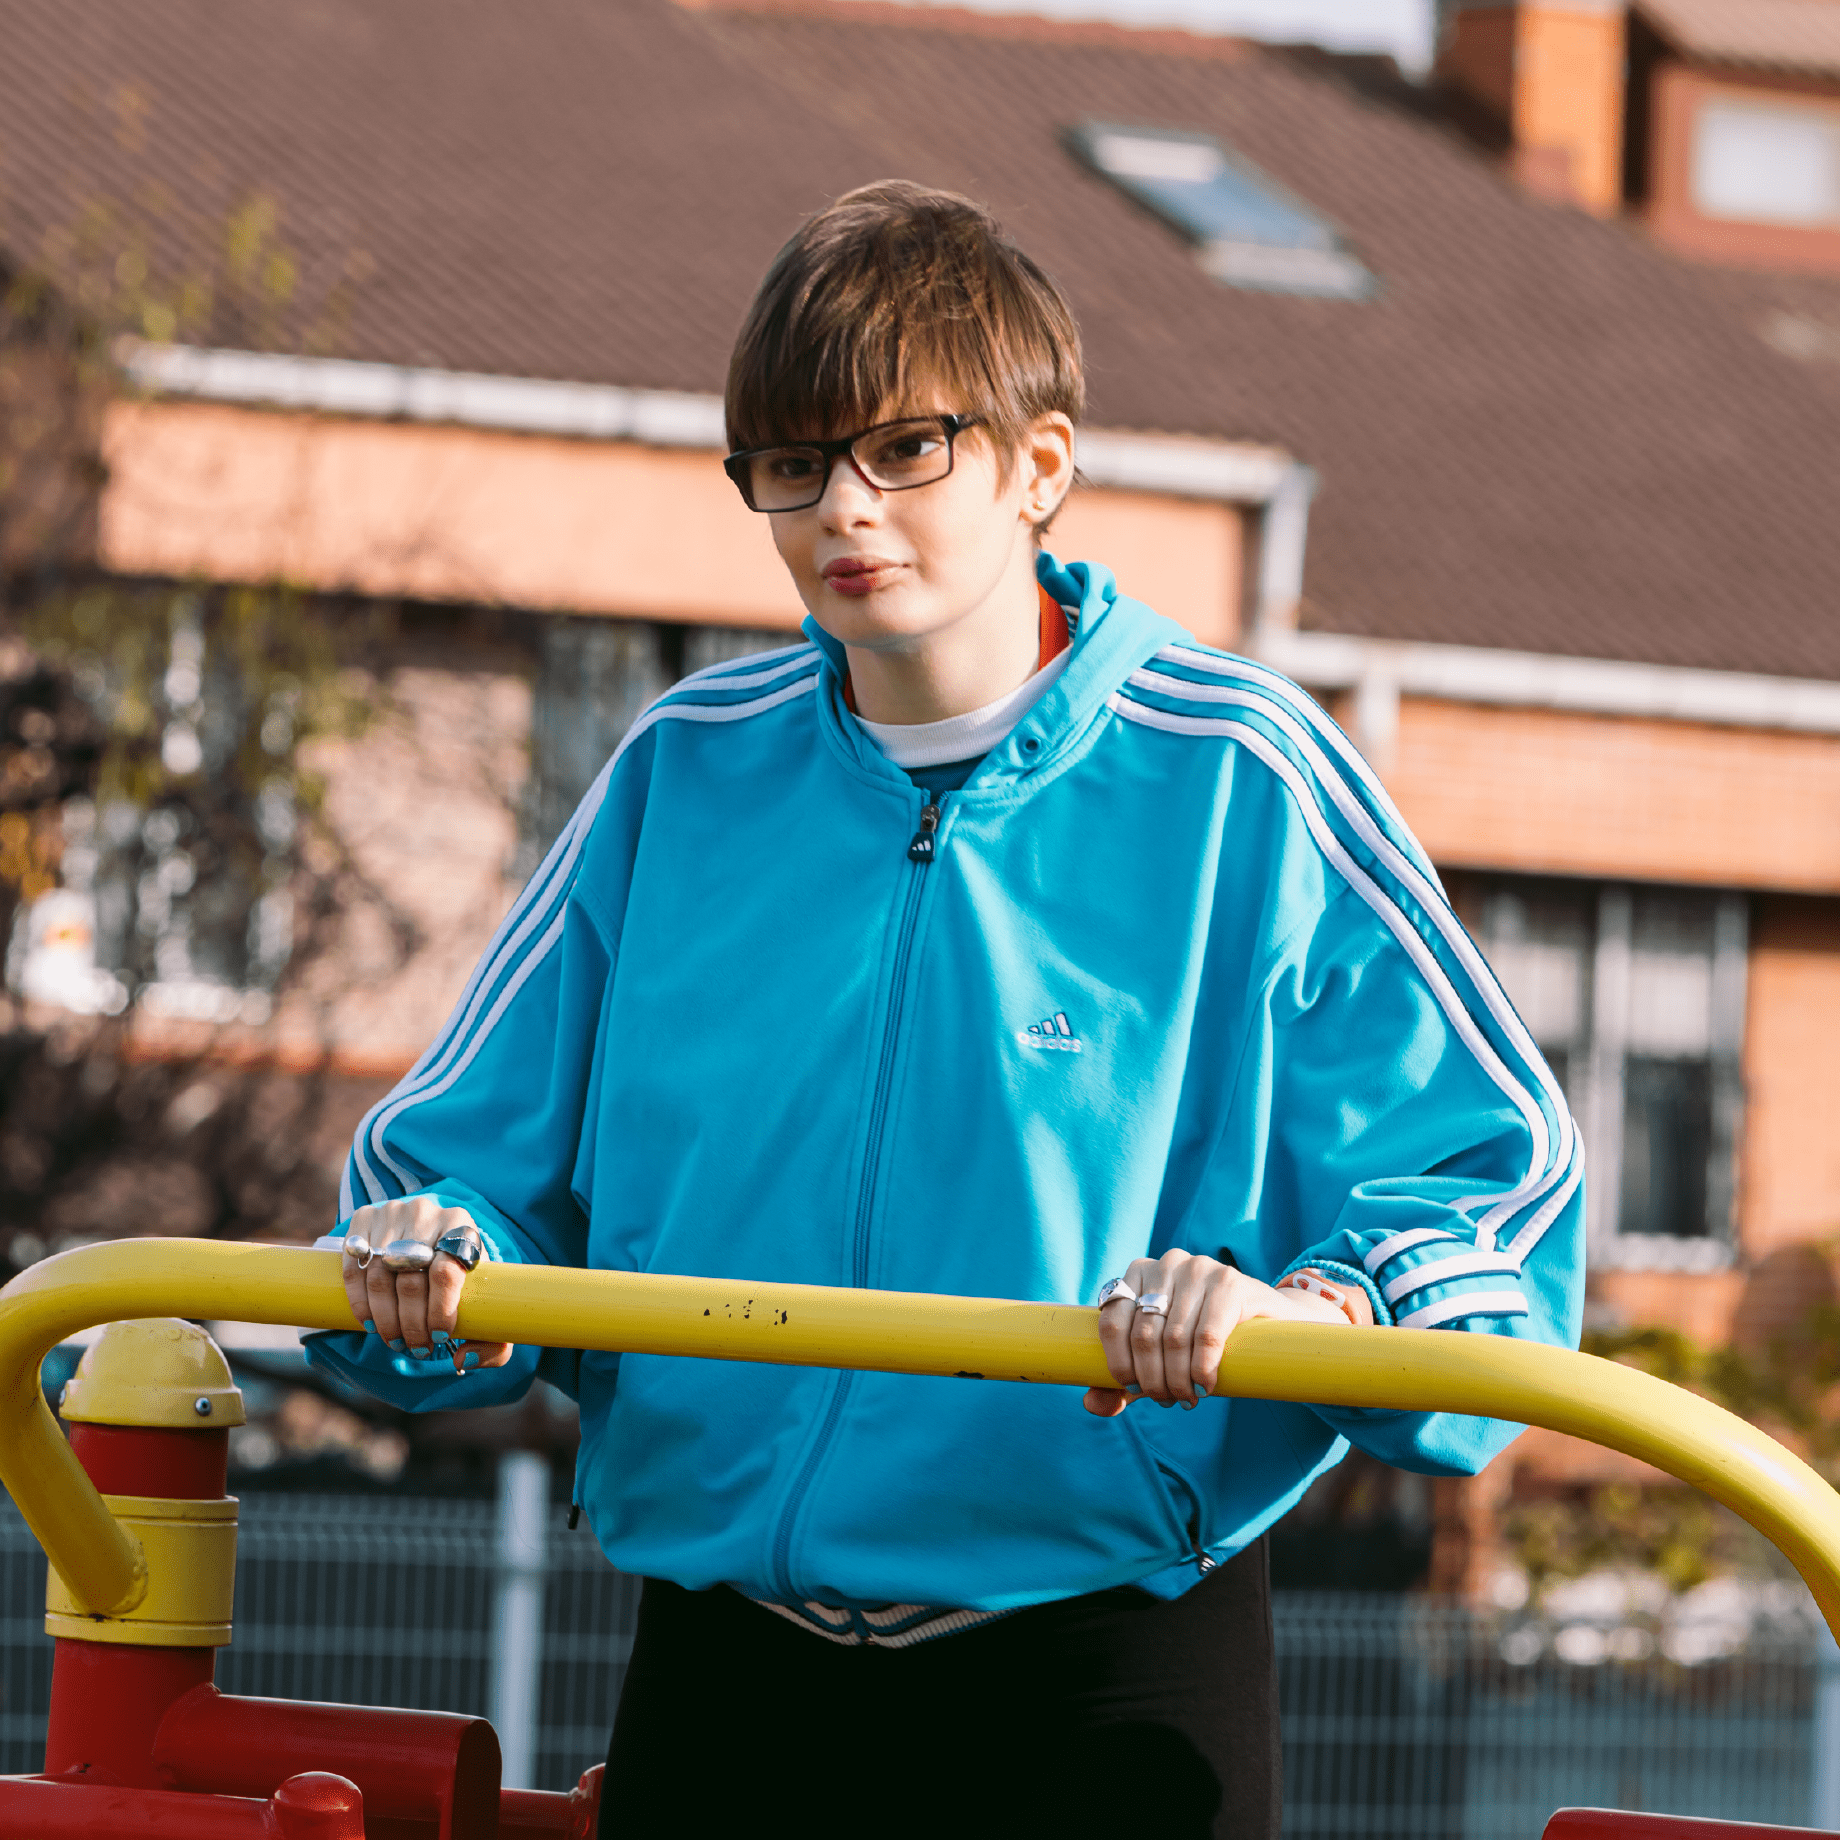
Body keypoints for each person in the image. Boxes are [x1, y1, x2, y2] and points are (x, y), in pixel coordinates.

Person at [307, 181, 1584, 1837]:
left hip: (1099, 1663)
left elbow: (1499, 1176)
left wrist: (1317, 1307)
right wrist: (437, 1250)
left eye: (905, 448)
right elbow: (457, 1167)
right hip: (733, 1663)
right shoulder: (683, 776)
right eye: (791, 463)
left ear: (1038, 466)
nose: (845, 505)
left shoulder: (1236, 780)